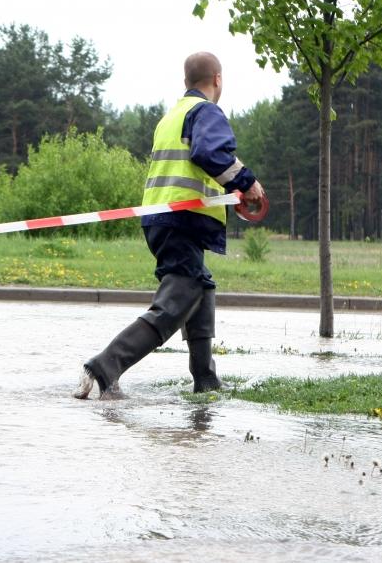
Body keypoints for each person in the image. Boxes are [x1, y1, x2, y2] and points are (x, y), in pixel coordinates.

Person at [74, 51, 264, 399]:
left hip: (160, 219)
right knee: (177, 300)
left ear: (186, 81)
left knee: (201, 286)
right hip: (183, 220)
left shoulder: (171, 116)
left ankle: (206, 380)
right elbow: (209, 154)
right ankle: (104, 367)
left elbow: (199, 158)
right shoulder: (206, 111)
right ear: (218, 79)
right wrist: (246, 183)